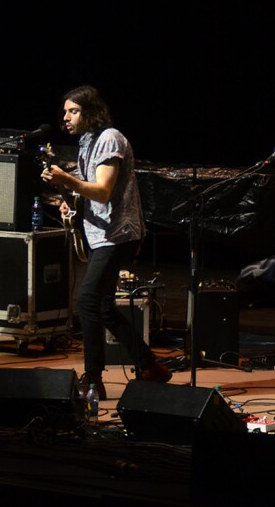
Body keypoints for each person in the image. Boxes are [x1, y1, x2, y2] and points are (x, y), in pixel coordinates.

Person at [41, 85, 171, 399]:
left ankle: (93, 379)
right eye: (65, 112)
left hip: (118, 234)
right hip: (101, 235)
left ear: (90, 112)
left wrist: (66, 179)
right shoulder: (87, 143)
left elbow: (102, 190)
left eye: (73, 111)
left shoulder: (110, 138)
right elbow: (89, 193)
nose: (66, 118)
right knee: (104, 307)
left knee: (86, 301)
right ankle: (150, 365)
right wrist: (72, 201)